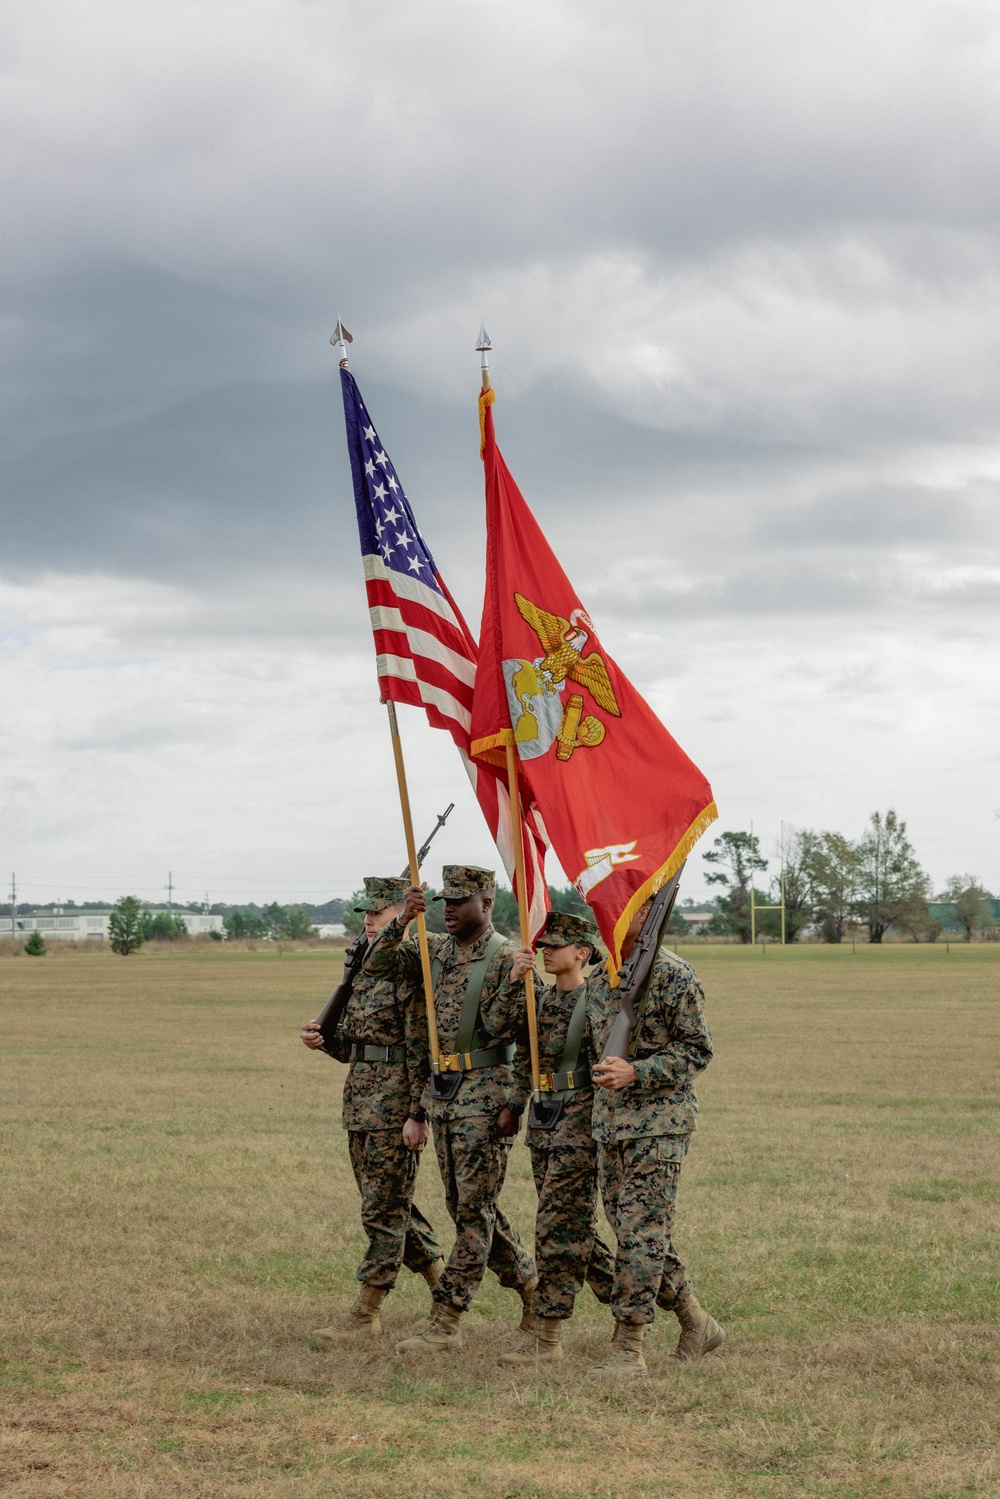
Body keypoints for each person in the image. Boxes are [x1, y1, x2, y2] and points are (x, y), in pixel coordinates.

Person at [364, 865, 537, 1352]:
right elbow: (376, 965)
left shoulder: (508, 957)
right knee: (467, 1208)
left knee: (473, 1213)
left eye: (460, 901)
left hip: (486, 1097)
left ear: (487, 903)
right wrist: (401, 921)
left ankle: (447, 1319)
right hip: (444, 1096)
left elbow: (527, 1038)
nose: (449, 909)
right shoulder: (435, 949)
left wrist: (514, 1101)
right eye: (444, 901)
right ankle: (533, 1288)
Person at [300, 876, 443, 1345]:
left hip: (395, 1106)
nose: (368, 919)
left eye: (378, 912)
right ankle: (447, 1294)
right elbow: (355, 1048)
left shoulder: (409, 966)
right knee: (387, 1206)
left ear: (402, 913)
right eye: (365, 912)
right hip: (360, 1102)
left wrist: (419, 1113)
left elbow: (424, 1048)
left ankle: (367, 1313)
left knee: (382, 1212)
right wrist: (325, 1042)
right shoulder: (365, 967)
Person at [586, 899, 723, 1379]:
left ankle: (629, 1347)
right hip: (609, 1125)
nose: (605, 914)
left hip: (659, 1126)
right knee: (634, 1234)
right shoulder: (602, 973)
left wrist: (637, 1071)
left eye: (619, 907)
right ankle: (696, 1322)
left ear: (644, 914)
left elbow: (697, 1050)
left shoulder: (673, 974)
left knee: (641, 1234)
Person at [497, 909, 615, 1368]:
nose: (546, 953)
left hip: (579, 1125)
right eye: (543, 946)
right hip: (544, 1122)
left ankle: (548, 1339)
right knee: (573, 1231)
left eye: (556, 946)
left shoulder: (598, 1003)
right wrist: (513, 1102)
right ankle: (678, 1304)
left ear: (582, 953)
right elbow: (513, 1044)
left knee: (554, 1230)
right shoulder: (538, 1000)